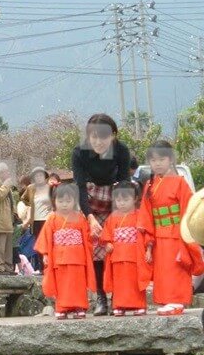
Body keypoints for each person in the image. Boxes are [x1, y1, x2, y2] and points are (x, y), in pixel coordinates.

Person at [72, 114, 131, 315]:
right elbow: (80, 187)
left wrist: (118, 219)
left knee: (117, 248)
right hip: (89, 199)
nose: (98, 142)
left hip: (115, 199)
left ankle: (119, 296)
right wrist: (90, 217)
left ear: (113, 135)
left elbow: (124, 184)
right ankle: (101, 297)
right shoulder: (80, 153)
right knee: (96, 249)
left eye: (104, 137)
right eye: (94, 137)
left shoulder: (121, 151)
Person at [137, 140, 204, 315]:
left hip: (176, 233)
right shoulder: (149, 184)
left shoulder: (180, 183)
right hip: (158, 234)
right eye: (153, 160)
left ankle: (177, 300)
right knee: (163, 270)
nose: (157, 163)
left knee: (177, 266)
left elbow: (188, 210)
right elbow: (146, 214)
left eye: (162, 159)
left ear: (171, 159)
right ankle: (168, 299)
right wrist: (148, 242)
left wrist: (186, 236)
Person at [34, 183, 96, 319]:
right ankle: (62, 307)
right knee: (61, 284)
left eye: (68, 201)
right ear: (54, 201)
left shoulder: (80, 218)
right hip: (59, 258)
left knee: (78, 283)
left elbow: (87, 238)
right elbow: (46, 238)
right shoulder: (52, 218)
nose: (64, 204)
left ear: (74, 201)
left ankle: (79, 306)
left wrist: (93, 237)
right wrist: (45, 253)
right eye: (60, 201)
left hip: (77, 257)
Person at [100, 183, 152, 316]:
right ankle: (119, 305)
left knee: (135, 281)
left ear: (135, 198)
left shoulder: (140, 216)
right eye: (118, 200)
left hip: (135, 255)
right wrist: (107, 244)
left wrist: (149, 249)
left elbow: (147, 233)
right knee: (119, 283)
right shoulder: (112, 218)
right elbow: (106, 235)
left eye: (126, 199)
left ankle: (139, 305)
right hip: (117, 256)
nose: (122, 203)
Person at [21, 167, 52, 271]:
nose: (39, 177)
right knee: (39, 243)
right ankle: (42, 267)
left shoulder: (50, 187)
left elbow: (56, 199)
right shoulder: (31, 188)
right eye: (36, 176)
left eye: (41, 175)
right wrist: (31, 206)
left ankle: (50, 266)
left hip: (48, 219)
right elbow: (24, 198)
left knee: (49, 243)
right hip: (36, 220)